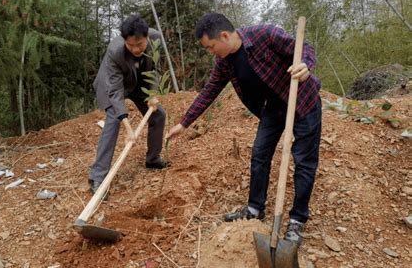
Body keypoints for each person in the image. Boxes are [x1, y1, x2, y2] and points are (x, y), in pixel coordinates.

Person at [166, 13, 322, 245]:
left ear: (224, 35)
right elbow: (209, 91)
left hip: (302, 100)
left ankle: (297, 221)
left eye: (210, 47)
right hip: (273, 108)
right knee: (259, 154)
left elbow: (303, 48)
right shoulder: (224, 63)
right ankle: (255, 208)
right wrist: (184, 123)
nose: (211, 52)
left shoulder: (264, 35)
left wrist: (304, 65)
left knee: (303, 161)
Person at [89, 14, 170, 194]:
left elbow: (156, 68)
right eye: (130, 45)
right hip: (112, 83)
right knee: (113, 119)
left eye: (139, 44)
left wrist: (153, 93)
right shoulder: (115, 52)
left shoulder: (156, 38)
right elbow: (115, 93)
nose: (135, 49)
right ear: (124, 40)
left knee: (158, 115)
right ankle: (97, 176)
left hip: (138, 80)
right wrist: (128, 128)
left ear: (147, 37)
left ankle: (153, 159)